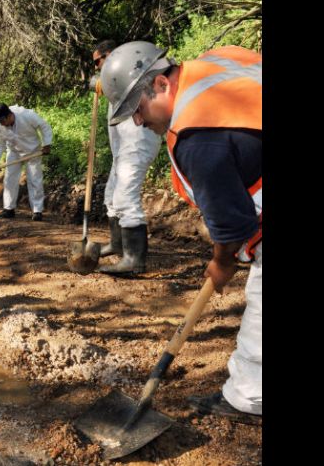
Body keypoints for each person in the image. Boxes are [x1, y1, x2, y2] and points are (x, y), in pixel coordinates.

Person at [100, 41, 261, 422]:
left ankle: (249, 397)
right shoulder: (217, 62)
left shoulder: (197, 136)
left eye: (137, 110)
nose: (138, 122)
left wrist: (222, 264)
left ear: (159, 84)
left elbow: (233, 224)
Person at [91, 40, 163, 274]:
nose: (96, 67)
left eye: (97, 62)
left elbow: (134, 83)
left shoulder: (130, 69)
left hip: (139, 140)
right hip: (123, 149)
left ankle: (134, 261)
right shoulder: (117, 77)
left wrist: (104, 81)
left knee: (125, 197)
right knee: (111, 197)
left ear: (109, 55)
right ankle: (118, 244)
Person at [0, 103, 52, 221]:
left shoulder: (27, 115)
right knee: (9, 179)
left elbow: (44, 126)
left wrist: (47, 144)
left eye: (2, 120)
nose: (1, 124)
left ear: (9, 116)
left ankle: (37, 211)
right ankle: (8, 209)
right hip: (14, 152)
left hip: (33, 151)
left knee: (34, 180)